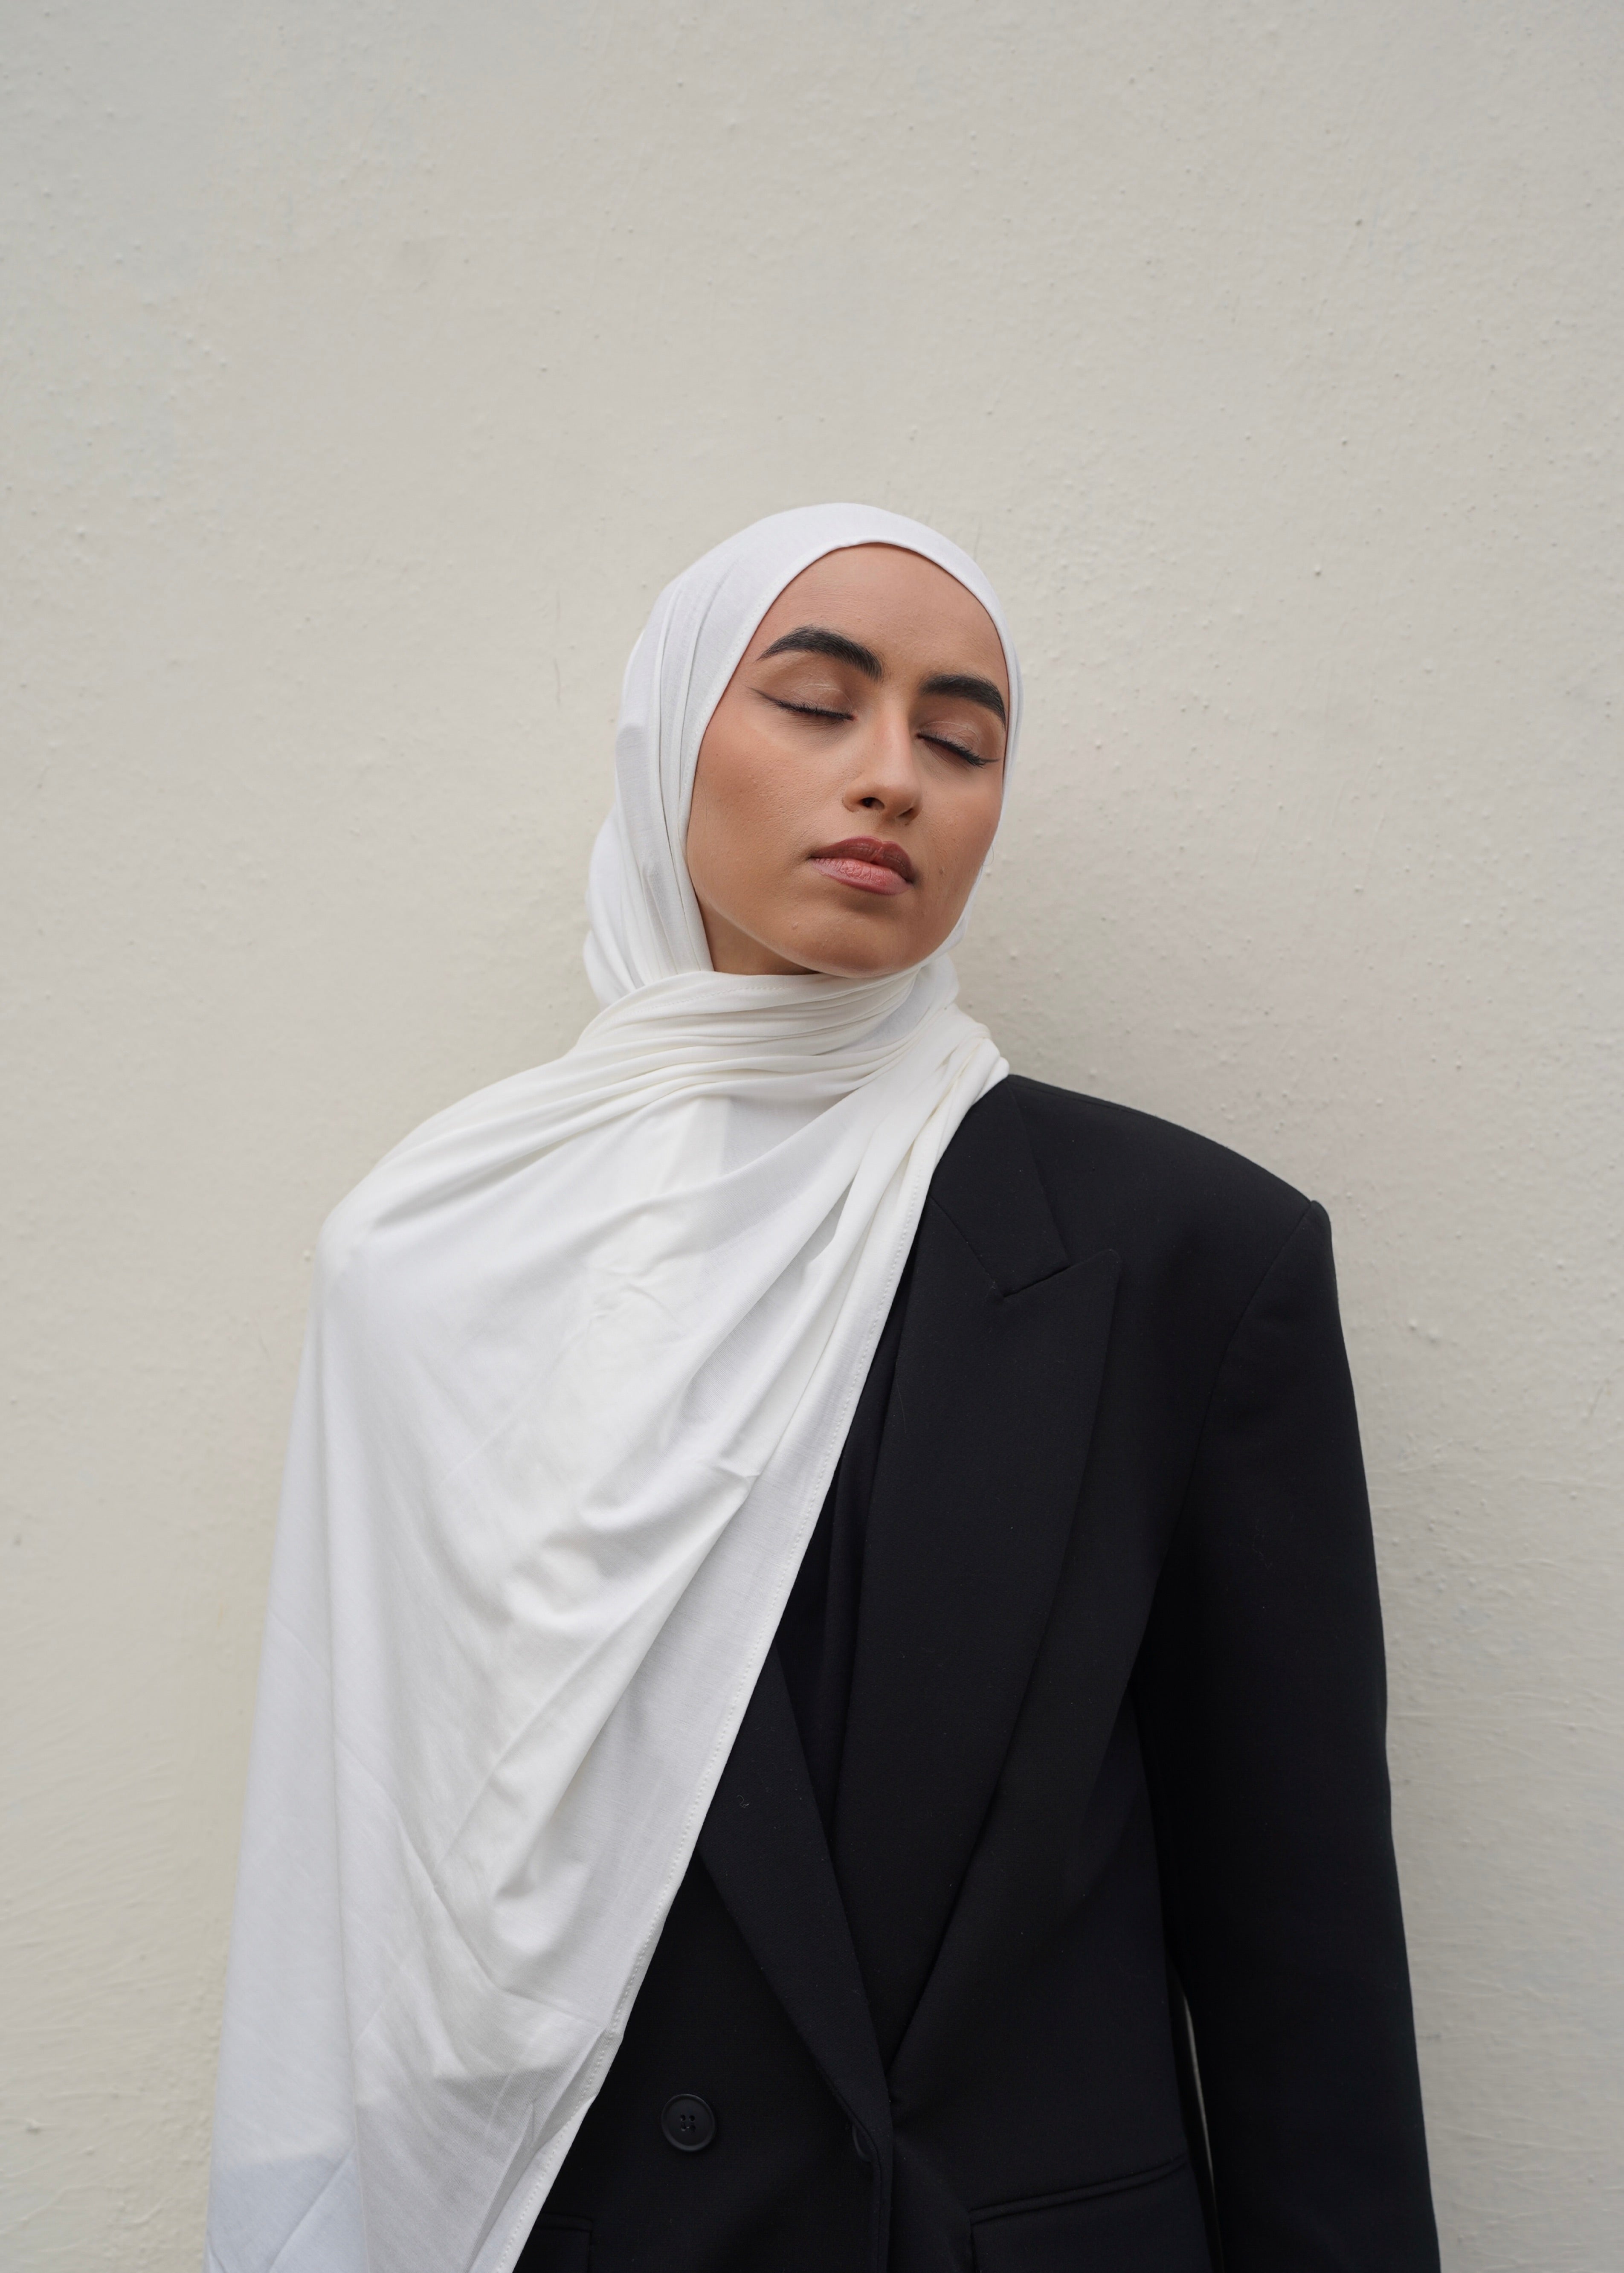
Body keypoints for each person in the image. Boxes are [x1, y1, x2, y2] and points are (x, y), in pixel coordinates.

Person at [206, 507, 1439, 2273]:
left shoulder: (1186, 1259)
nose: (892, 779)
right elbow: (355, 1857)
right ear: (669, 741)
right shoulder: (429, 1257)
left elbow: (1298, 1951)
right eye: (814, 702)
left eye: (961, 741)